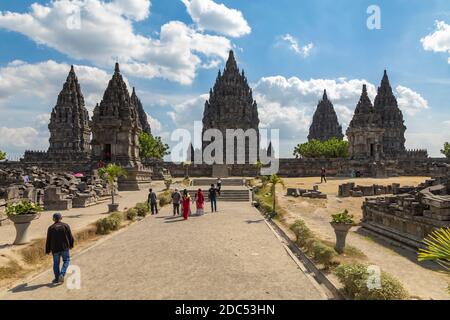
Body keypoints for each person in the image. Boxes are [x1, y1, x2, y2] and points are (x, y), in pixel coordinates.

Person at [45, 213, 74, 284]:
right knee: (66, 260)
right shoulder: (65, 226)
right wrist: (71, 244)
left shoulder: (51, 228)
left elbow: (48, 240)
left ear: (53, 219)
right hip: (64, 248)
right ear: (61, 218)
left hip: (55, 249)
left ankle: (57, 278)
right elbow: (70, 236)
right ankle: (62, 274)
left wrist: (47, 250)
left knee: (56, 263)